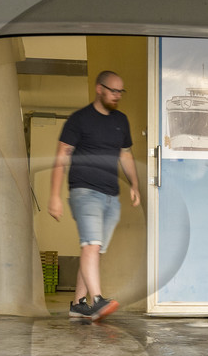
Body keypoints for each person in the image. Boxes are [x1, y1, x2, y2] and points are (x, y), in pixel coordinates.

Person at [47, 70, 142, 320]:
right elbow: (61, 157)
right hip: (84, 191)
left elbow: (125, 155)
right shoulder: (79, 120)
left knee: (93, 250)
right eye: (113, 90)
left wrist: (134, 184)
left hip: (111, 195)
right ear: (99, 89)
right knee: (91, 244)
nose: (117, 96)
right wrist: (54, 195)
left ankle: (78, 303)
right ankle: (97, 300)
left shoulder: (120, 120)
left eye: (121, 91)